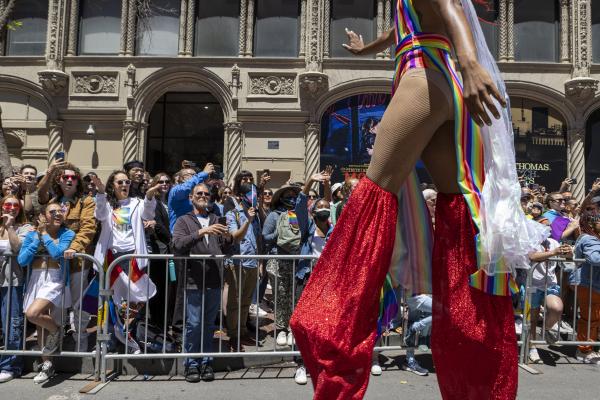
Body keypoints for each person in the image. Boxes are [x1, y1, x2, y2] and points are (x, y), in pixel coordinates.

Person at [290, 0, 546, 398]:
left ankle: (330, 335)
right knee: (463, 208)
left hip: (425, 74)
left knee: (371, 199)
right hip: (447, 79)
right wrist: (370, 48)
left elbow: (445, 4)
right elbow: (406, 22)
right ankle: (479, 385)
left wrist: (469, 61)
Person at [172, 182, 232, 383]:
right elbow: (178, 244)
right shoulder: (183, 220)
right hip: (193, 280)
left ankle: (206, 362)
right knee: (194, 324)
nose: (203, 196)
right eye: (199, 193)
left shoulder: (216, 218)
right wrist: (202, 232)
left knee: (208, 325)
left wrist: (227, 236)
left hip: (214, 278)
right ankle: (191, 364)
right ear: (191, 197)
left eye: (206, 194)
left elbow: (227, 247)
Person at [39, 162, 96, 351]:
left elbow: (88, 228)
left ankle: (81, 346)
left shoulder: (86, 201)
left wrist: (72, 248)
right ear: (59, 180)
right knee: (57, 306)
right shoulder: (53, 201)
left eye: (73, 177)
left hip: (78, 261)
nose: (69, 180)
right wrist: (50, 172)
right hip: (56, 263)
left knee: (79, 306)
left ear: (78, 181)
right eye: (65, 177)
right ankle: (57, 349)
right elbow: (39, 196)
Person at [19, 202, 75, 384]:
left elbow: (57, 253)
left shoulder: (67, 233)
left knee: (33, 314)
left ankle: (57, 329)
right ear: (43, 216)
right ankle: (47, 364)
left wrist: (44, 234)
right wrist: (36, 238)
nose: (58, 214)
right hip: (35, 278)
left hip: (55, 279)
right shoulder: (32, 235)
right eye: (53, 212)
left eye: (60, 211)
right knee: (39, 324)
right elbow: (22, 259)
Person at [262, 182, 303, 348]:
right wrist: (278, 233)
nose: (292, 200)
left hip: (297, 262)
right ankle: (280, 329)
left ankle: (293, 328)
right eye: (289, 197)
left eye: (295, 197)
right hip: (278, 261)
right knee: (280, 296)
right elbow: (265, 236)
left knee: (296, 297)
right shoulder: (274, 215)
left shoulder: (300, 215)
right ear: (281, 199)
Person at [224, 170, 260, 351]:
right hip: (237, 263)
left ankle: (243, 331)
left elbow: (257, 239)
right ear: (241, 197)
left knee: (246, 300)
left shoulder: (255, 212)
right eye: (248, 194)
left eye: (253, 194)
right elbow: (235, 237)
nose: (251, 198)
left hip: (252, 262)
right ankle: (233, 334)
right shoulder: (234, 213)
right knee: (234, 301)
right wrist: (247, 220)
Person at [0, 195, 32, 383]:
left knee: (12, 325)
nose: (11, 208)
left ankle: (11, 365)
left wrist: (10, 226)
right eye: (7, 204)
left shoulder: (24, 228)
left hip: (12, 282)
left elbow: (18, 248)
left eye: (15, 206)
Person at [526, 237, 571, 364]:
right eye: (543, 223)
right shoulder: (529, 240)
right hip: (532, 284)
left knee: (557, 308)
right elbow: (532, 256)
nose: (546, 227)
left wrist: (569, 253)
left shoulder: (553, 242)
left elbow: (569, 258)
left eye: (548, 225)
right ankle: (532, 348)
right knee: (532, 319)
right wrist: (553, 252)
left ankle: (546, 330)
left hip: (550, 285)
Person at [569, 209, 600, 364]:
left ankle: (591, 347)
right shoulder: (589, 239)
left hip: (593, 284)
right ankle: (584, 350)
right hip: (589, 284)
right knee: (589, 319)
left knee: (594, 318)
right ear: (591, 223)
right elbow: (594, 258)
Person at [145, 173, 173, 328]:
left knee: (168, 288)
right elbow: (157, 226)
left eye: (167, 181)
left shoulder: (169, 202)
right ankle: (157, 324)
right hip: (159, 251)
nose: (164, 184)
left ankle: (165, 322)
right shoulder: (153, 203)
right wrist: (171, 238)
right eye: (160, 182)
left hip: (169, 251)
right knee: (159, 289)